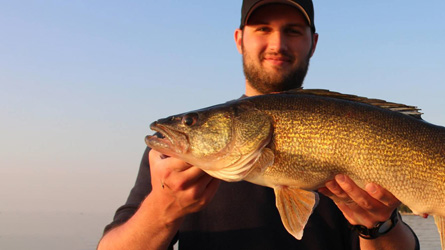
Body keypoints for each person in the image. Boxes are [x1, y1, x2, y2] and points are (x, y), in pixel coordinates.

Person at [97, 1, 419, 249]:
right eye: (262, 28)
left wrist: (378, 226)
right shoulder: (172, 164)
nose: (278, 43)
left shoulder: (353, 125)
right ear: (239, 39)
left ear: (314, 42)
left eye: (292, 31)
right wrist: (162, 209)